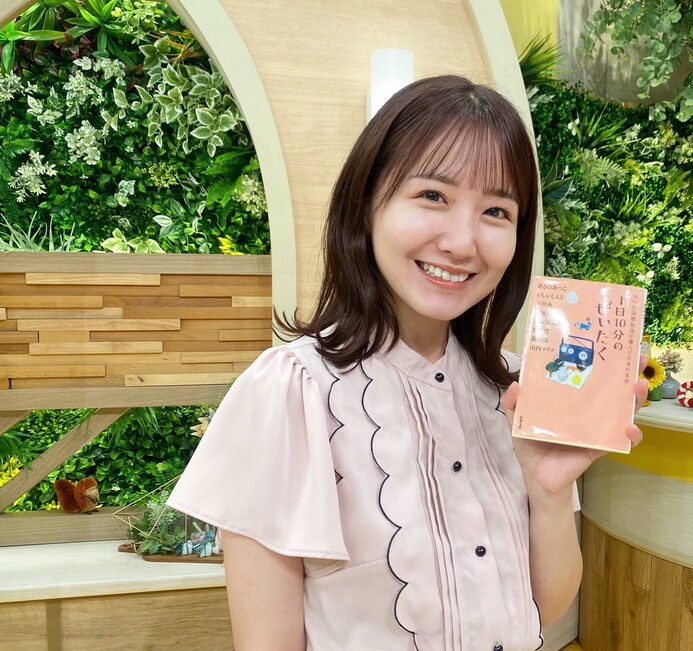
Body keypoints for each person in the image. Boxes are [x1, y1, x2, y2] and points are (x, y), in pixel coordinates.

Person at [167, 74, 647, 651]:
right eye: (433, 196)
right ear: (367, 204)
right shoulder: (292, 391)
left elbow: (543, 607)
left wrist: (547, 494)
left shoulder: (519, 390)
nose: (462, 242)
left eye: (496, 211)